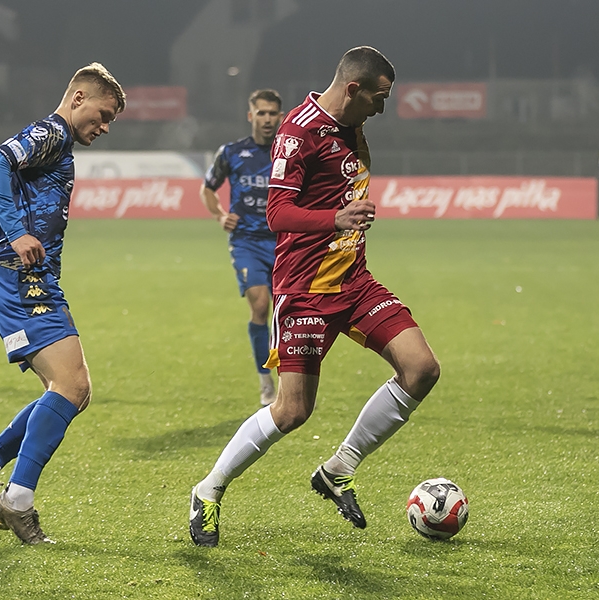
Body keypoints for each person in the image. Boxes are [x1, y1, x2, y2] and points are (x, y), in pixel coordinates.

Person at [189, 46, 440, 547]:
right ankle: (208, 490)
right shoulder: (297, 132)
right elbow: (278, 214)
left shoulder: (350, 125)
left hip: (354, 281)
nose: (383, 107)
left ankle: (338, 468)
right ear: (353, 89)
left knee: (422, 369)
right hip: (305, 289)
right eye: (379, 96)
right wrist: (336, 219)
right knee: (292, 412)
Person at [0, 63, 125, 544]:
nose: (105, 126)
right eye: (103, 113)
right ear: (77, 98)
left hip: (17, 279)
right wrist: (16, 235)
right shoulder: (51, 131)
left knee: (68, 389)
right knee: (72, 387)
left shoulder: (54, 147)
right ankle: (17, 499)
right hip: (19, 278)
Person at [200, 89, 284, 406]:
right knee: (261, 306)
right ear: (251, 116)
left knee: (287, 314)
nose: (266, 119)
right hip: (247, 242)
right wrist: (220, 215)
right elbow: (207, 189)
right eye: (261, 113)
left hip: (284, 242)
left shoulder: (288, 153)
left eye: (272, 113)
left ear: (280, 116)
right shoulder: (232, 153)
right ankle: (266, 384)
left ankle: (291, 384)